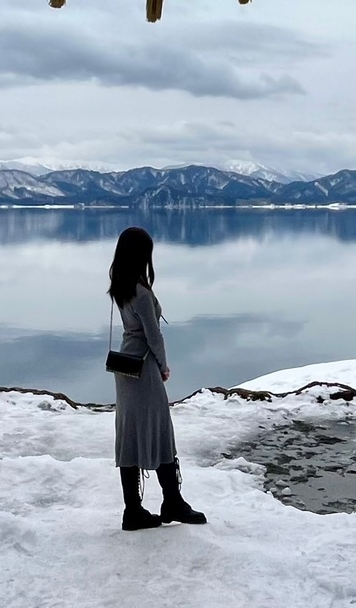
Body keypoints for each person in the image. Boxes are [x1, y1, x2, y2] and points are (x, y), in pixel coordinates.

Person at [108, 226, 207, 531]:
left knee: (130, 434)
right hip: (144, 367)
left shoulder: (120, 286)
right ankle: (172, 500)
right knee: (160, 430)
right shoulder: (141, 291)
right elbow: (154, 335)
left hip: (126, 366)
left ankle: (133, 509)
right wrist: (163, 366)